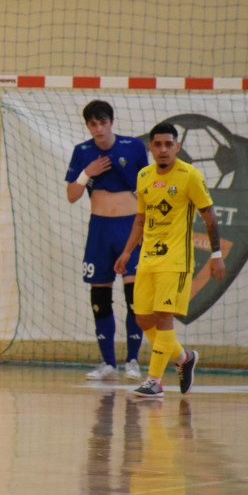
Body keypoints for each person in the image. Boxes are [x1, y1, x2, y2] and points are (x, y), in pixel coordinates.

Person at [114, 122, 225, 398]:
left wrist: (216, 254)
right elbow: (141, 219)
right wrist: (128, 251)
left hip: (176, 261)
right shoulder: (144, 176)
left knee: (164, 318)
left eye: (168, 144)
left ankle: (154, 381)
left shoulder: (190, 176)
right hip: (148, 259)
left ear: (177, 146)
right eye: (158, 144)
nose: (163, 149)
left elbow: (209, 216)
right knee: (142, 319)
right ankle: (183, 357)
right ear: (151, 147)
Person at [65, 100, 148, 381]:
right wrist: (88, 172)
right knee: (100, 296)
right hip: (99, 229)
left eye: (103, 122)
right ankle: (108, 364)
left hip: (129, 228)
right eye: (92, 124)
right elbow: (72, 195)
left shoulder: (133, 147)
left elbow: (146, 189)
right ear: (87, 125)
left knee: (134, 297)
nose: (98, 129)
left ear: (111, 121)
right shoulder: (82, 152)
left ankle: (133, 361)